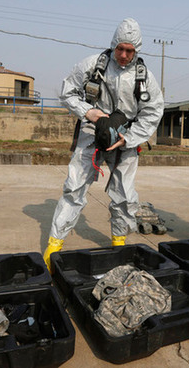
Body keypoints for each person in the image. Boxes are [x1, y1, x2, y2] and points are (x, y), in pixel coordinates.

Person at [43, 18, 164, 271]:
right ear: (113, 45)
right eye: (119, 48)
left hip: (125, 140)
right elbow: (67, 92)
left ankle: (119, 242)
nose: (123, 55)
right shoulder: (92, 65)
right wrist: (88, 112)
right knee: (73, 188)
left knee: (124, 196)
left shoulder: (145, 78)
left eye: (129, 50)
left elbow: (153, 112)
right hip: (91, 135)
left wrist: (128, 138)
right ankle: (54, 244)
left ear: (137, 50)